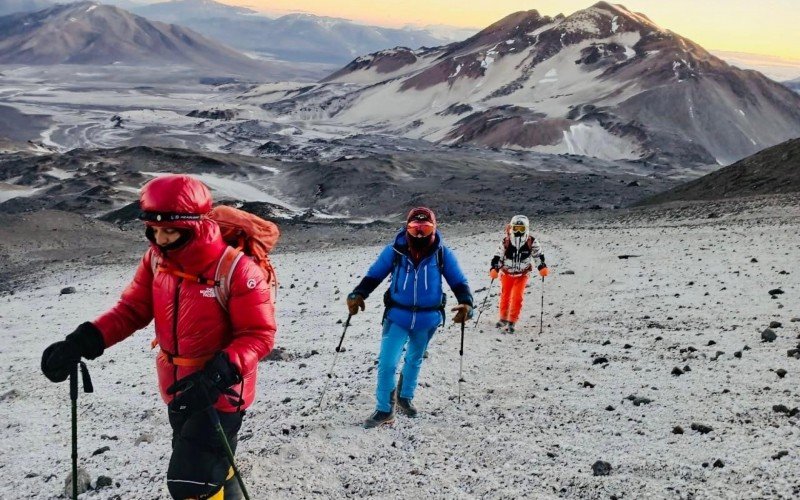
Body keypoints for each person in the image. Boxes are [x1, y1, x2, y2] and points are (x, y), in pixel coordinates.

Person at [41, 174, 276, 500]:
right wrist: (82, 341)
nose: (160, 239)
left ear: (194, 225)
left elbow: (259, 334)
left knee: (190, 484)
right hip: (177, 389)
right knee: (206, 464)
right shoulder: (155, 261)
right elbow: (131, 310)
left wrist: (219, 373)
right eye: (153, 229)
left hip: (221, 392)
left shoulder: (235, 270)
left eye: (170, 231)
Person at [346, 207, 474, 428]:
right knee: (387, 363)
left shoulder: (442, 253)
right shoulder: (394, 252)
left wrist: (466, 303)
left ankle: (405, 398)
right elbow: (374, 275)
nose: (420, 234)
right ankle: (385, 409)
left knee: (414, 359)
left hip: (427, 319)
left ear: (434, 228)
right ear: (407, 228)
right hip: (398, 316)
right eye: (415, 228)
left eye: (425, 228)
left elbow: (458, 281)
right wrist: (358, 294)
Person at [489, 215, 548, 334]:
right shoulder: (506, 241)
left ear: (526, 229)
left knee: (517, 297)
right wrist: (494, 268)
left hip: (522, 275)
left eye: (521, 229)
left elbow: (538, 255)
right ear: (511, 228)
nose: (518, 231)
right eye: (516, 228)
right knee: (505, 296)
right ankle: (503, 318)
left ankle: (512, 320)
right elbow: (498, 256)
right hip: (507, 273)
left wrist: (542, 266)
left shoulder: (531, 241)